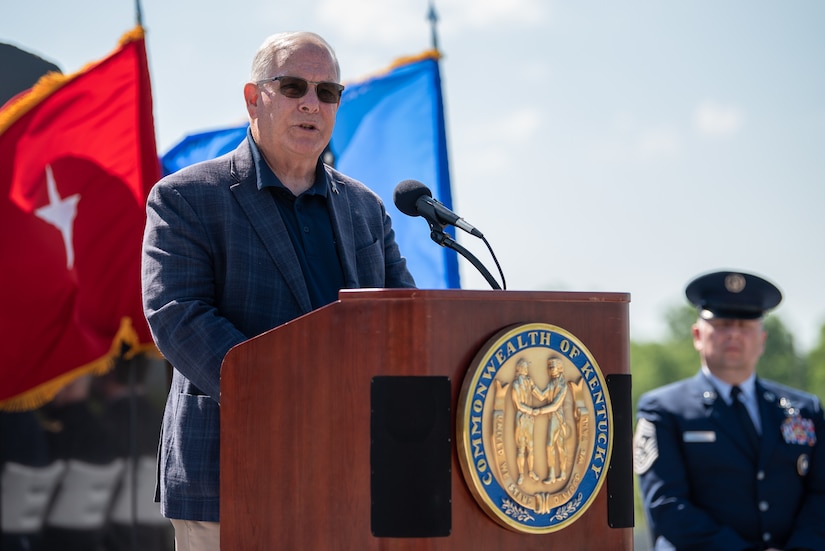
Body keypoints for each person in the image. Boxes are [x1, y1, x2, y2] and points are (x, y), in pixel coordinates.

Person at [141, 31, 415, 550]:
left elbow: (405, 321)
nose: (312, 103)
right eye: (293, 87)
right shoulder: (185, 198)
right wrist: (291, 395)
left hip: (349, 479)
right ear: (253, 99)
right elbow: (177, 316)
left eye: (327, 92)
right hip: (230, 477)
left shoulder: (366, 209)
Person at [634, 270, 825, 551]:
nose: (734, 333)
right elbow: (667, 506)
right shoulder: (664, 410)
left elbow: (821, 495)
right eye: (722, 324)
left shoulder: (805, 410)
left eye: (745, 325)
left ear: (762, 339)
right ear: (698, 335)